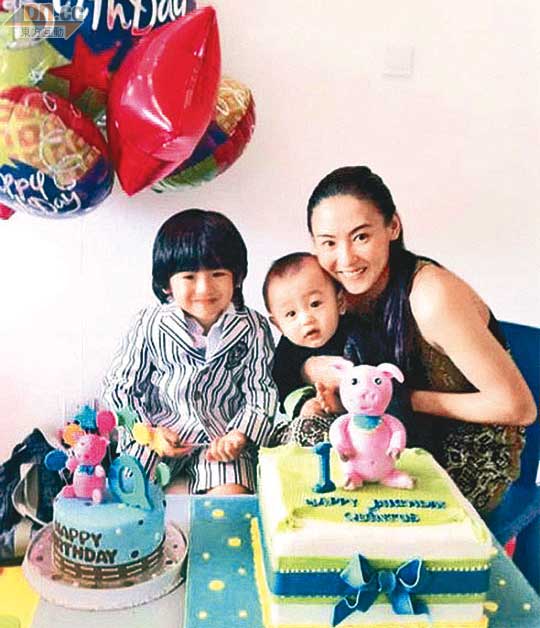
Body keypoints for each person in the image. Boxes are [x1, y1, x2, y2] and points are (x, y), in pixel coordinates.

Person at [300, 165, 536, 513]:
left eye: (361, 237)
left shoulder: (431, 297)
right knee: (303, 441)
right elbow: (292, 348)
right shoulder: (333, 288)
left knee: (360, 506)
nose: (346, 258)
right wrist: (312, 368)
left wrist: (399, 398)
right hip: (396, 435)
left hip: (468, 451)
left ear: (393, 226)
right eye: (329, 243)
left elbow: (517, 407)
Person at [102, 209, 278, 495]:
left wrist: (239, 435)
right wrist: (148, 433)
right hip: (158, 438)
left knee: (231, 499)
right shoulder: (148, 323)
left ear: (236, 277)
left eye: (218, 274)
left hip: (220, 443)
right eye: (189, 276)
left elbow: (261, 390)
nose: (204, 288)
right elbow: (120, 387)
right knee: (129, 488)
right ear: (166, 284)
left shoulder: (254, 327)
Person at [263, 252, 351, 444]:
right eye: (291, 314)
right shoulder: (286, 354)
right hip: (312, 424)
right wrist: (306, 404)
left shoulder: (355, 335)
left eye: (315, 304)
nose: (306, 319)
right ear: (278, 326)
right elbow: (284, 389)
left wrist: (341, 401)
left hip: (355, 421)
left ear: (340, 303)